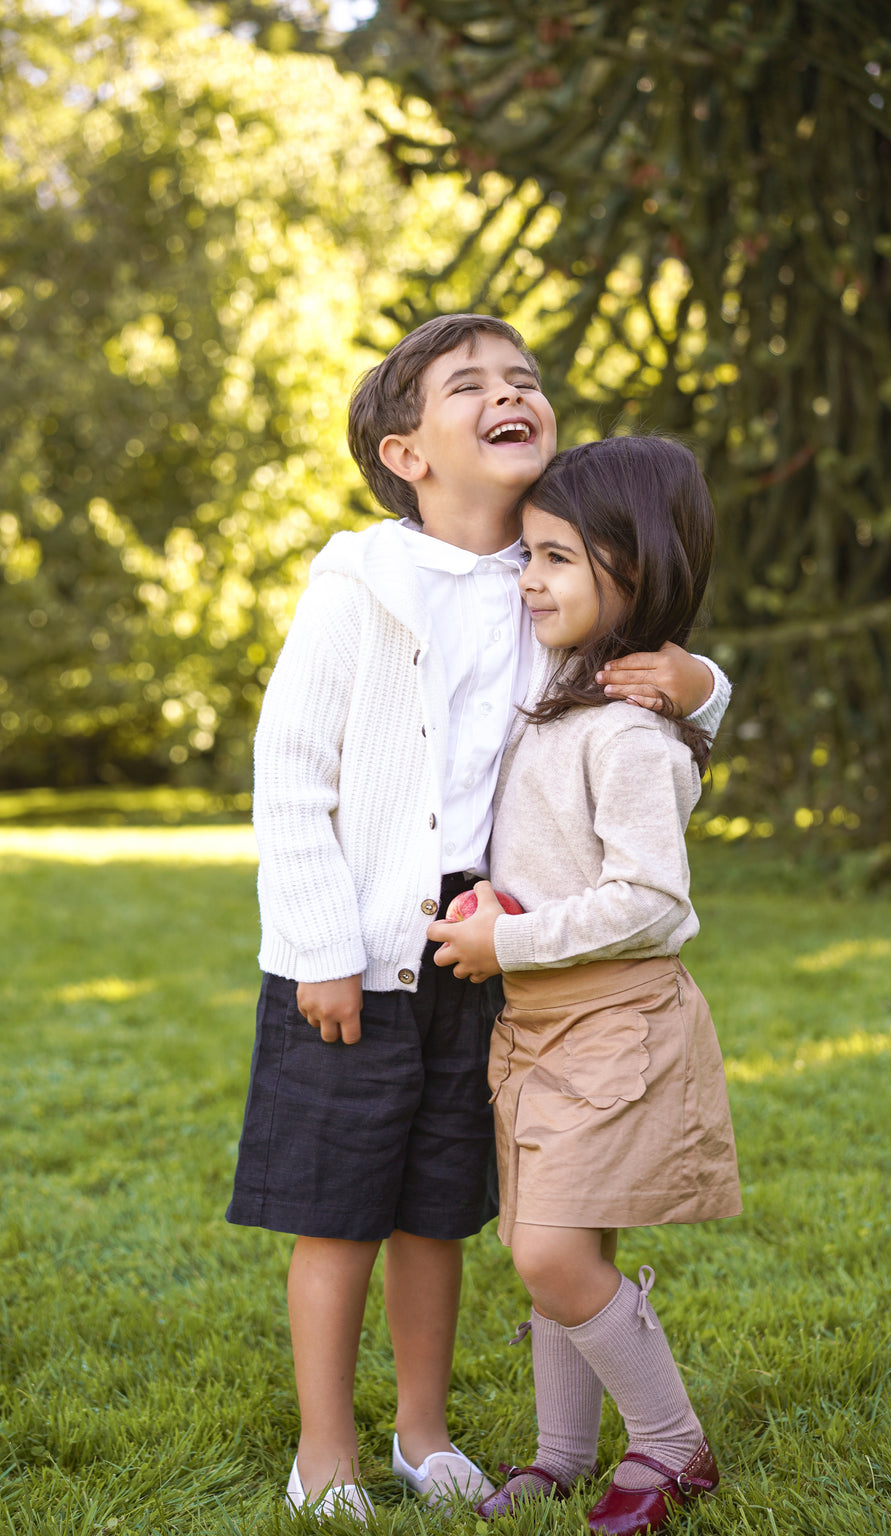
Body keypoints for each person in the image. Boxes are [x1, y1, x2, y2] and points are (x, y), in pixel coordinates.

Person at [225, 316, 733, 1523]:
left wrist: (707, 683)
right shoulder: (359, 581)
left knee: (440, 1207)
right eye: (473, 385)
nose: (512, 393)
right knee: (338, 1210)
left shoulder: (551, 578)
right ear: (407, 452)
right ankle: (326, 1451)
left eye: (526, 379)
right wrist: (321, 951)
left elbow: (652, 713)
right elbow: (292, 772)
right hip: (349, 959)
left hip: (485, 963)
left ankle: (421, 1433)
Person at [427, 434, 742, 1536]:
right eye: (530, 556)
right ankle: (560, 1452)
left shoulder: (628, 732)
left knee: (549, 1251)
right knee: (558, 1246)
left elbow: (651, 898)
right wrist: (498, 913)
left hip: (613, 1026)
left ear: (634, 565)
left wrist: (509, 946)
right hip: (539, 1027)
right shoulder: (557, 701)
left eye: (557, 558)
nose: (531, 581)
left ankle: (671, 1445)